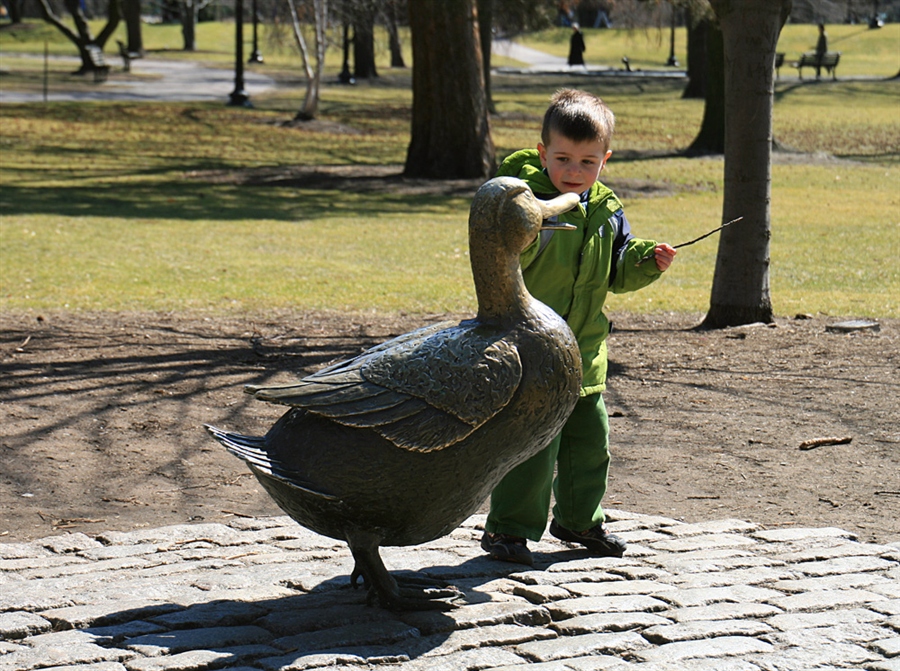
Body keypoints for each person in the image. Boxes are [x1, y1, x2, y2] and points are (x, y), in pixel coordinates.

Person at [481, 89, 677, 566]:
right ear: (543, 152)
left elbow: (616, 270)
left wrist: (646, 260)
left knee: (591, 444)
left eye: (588, 162)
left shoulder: (606, 209)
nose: (574, 172)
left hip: (585, 352)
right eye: (563, 158)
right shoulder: (519, 203)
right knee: (531, 447)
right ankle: (509, 530)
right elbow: (497, 262)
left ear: (604, 160)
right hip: (529, 353)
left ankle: (578, 520)